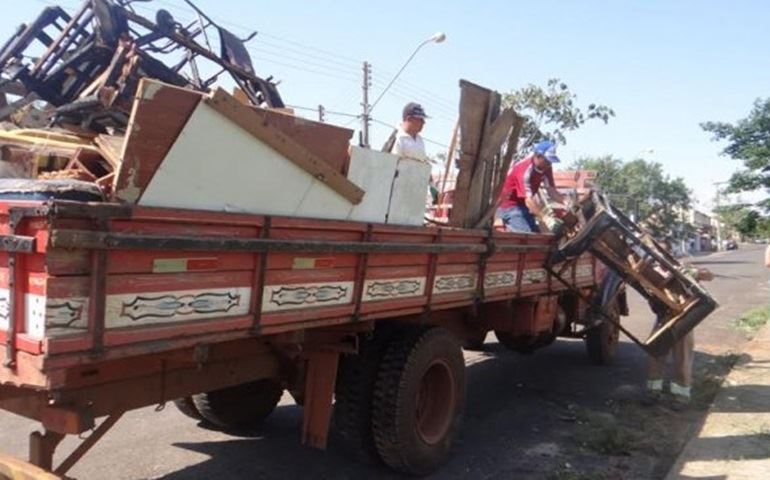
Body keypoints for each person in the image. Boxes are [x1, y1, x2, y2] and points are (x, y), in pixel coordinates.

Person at [645, 241, 713, 408]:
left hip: (683, 316)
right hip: (663, 316)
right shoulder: (649, 270)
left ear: (668, 254)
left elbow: (708, 275)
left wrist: (693, 272)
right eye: (655, 253)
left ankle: (681, 396)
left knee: (682, 356)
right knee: (656, 353)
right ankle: (654, 392)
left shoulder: (680, 267)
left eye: (662, 252)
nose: (658, 256)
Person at [496, 140, 565, 233]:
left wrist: (567, 203)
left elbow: (551, 191)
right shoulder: (524, 170)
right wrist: (545, 218)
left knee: (541, 235)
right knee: (529, 237)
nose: (550, 164)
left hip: (524, 206)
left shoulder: (546, 167)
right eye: (547, 161)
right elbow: (528, 200)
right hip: (510, 207)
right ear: (538, 156)